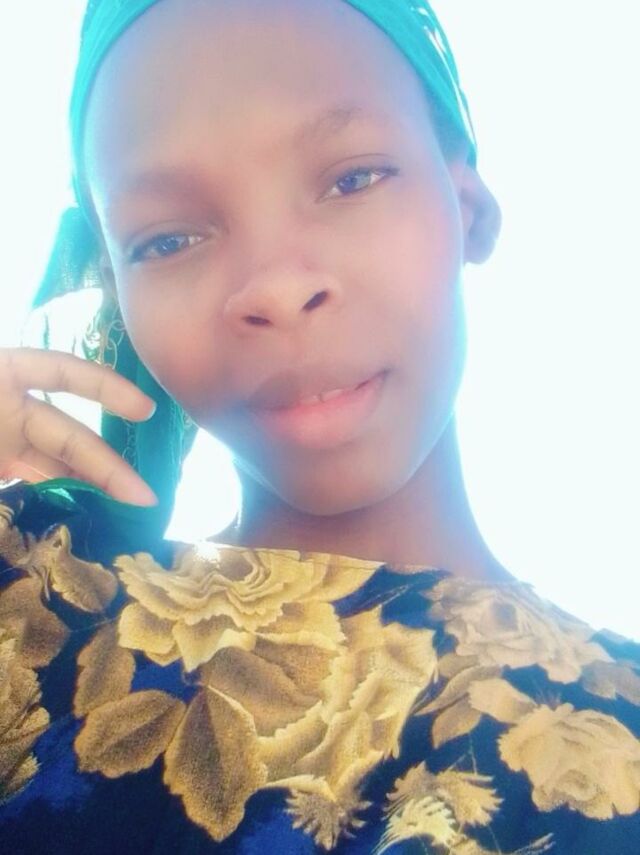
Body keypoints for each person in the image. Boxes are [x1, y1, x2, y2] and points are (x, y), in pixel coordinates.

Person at [0, 1, 639, 852]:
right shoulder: (36, 600)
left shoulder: (622, 728)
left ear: (467, 201)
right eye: (169, 239)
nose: (274, 286)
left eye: (352, 179)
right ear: (120, 292)